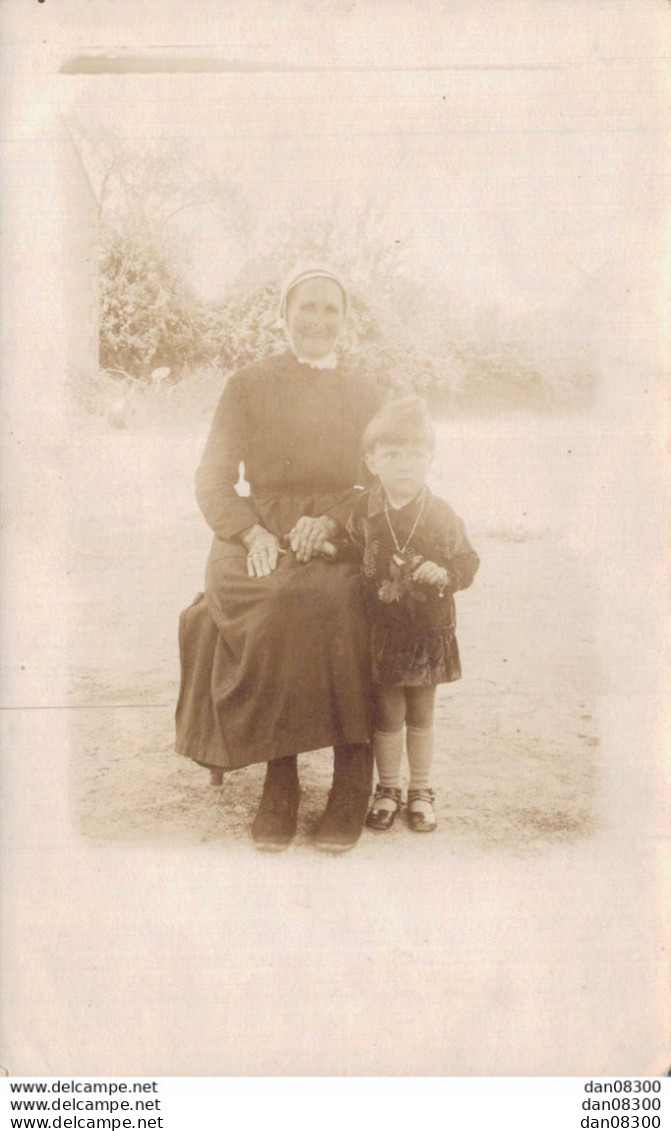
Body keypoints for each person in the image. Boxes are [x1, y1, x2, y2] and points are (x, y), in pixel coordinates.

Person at [175, 263, 383, 852]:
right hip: (258, 530)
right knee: (269, 600)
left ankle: (351, 772)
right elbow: (213, 477)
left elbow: (385, 478)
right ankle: (281, 774)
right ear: (284, 315)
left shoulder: (367, 389)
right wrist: (251, 534)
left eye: (330, 310)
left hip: (342, 524)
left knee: (337, 596)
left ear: (345, 320)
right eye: (306, 308)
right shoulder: (248, 383)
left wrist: (337, 521)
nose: (317, 320)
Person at [341, 396, 479, 833]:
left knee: (421, 712)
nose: (405, 465)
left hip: (427, 631)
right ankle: (388, 789)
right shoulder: (364, 510)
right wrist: (329, 548)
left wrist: (448, 572)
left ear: (431, 458)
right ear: (371, 460)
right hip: (382, 630)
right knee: (387, 714)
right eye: (392, 454)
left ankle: (420, 789)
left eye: (416, 454)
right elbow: (351, 551)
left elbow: (469, 561)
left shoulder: (441, 514)